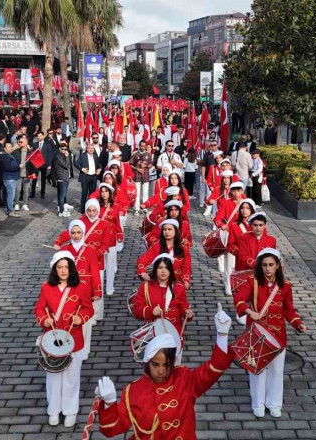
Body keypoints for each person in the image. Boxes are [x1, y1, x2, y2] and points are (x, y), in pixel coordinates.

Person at [96, 305, 233, 439]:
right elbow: (111, 430)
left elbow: (213, 369)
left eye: (167, 365)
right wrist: (109, 403)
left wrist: (222, 334)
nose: (161, 371)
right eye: (155, 365)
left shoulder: (184, 379)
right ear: (147, 362)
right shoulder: (133, 391)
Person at [234, 248, 307, 417]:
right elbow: (238, 299)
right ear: (260, 266)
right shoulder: (252, 281)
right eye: (265, 265)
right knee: (257, 368)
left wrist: (298, 324)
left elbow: (289, 310)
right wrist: (250, 312)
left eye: (271, 265)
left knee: (276, 370)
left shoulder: (285, 286)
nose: (268, 268)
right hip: (257, 332)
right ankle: (257, 403)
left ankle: (274, 402)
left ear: (278, 266)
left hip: (278, 334)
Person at [34, 251, 93, 427]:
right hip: (52, 339)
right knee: (53, 376)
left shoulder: (81, 287)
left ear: (72, 268)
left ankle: (70, 410)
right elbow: (38, 309)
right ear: (54, 269)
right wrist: (45, 319)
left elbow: (88, 309)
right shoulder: (46, 287)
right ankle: (53, 410)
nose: (63, 270)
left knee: (71, 377)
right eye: (59, 267)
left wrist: (79, 318)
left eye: (66, 267)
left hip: (73, 339)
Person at [132, 254, 193, 338]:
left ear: (171, 270)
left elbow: (183, 307)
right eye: (160, 268)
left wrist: (187, 313)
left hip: (174, 331)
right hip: (153, 330)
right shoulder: (146, 286)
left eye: (166, 268)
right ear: (155, 270)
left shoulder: (179, 287)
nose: (163, 271)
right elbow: (136, 310)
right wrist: (151, 310)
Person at [77, 142, 101, 213]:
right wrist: (82, 169)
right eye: (89, 148)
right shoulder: (83, 156)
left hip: (93, 177)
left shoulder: (95, 156)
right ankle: (82, 209)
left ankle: (91, 208)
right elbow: (76, 163)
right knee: (84, 193)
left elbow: (99, 164)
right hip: (85, 177)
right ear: (87, 149)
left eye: (92, 148)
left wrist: (99, 169)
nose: (91, 149)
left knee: (92, 194)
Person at [51, 141, 73, 217]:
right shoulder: (58, 157)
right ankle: (61, 211)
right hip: (61, 178)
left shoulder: (62, 156)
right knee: (61, 196)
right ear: (60, 149)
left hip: (65, 178)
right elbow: (66, 165)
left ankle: (61, 208)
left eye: (65, 149)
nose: (64, 150)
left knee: (62, 195)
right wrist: (67, 157)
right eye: (63, 149)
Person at [131, 140, 154, 211]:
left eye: (144, 146)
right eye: (141, 146)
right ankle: (137, 208)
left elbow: (151, 164)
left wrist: (146, 165)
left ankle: (144, 208)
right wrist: (137, 169)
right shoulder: (135, 154)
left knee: (145, 193)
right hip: (137, 176)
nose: (143, 147)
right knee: (137, 193)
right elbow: (131, 164)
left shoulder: (148, 154)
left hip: (146, 176)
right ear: (139, 146)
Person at [0, 142, 21, 216]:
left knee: (11, 194)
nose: (11, 148)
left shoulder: (10, 155)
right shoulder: (5, 157)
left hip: (12, 178)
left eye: (11, 146)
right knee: (11, 195)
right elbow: (8, 167)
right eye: (9, 147)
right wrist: (18, 166)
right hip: (9, 178)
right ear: (5, 149)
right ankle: (10, 211)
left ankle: (11, 209)